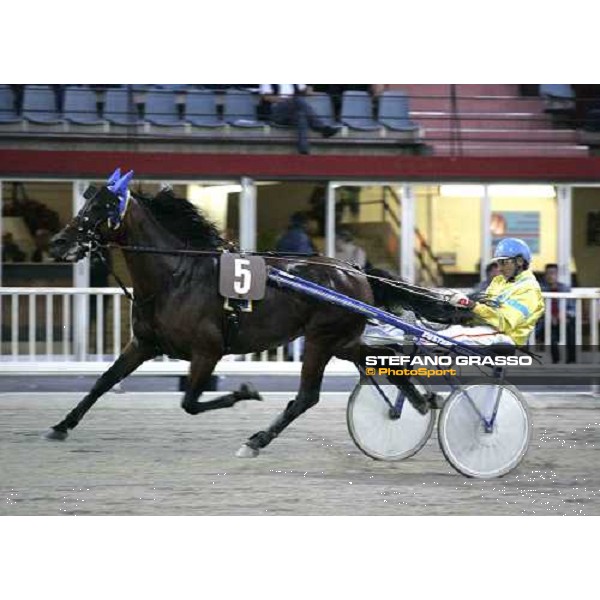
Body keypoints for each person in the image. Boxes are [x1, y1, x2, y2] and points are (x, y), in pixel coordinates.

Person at [364, 238, 545, 348]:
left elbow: (504, 321)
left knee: (433, 339)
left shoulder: (528, 289)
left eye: (504, 262)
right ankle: (383, 331)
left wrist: (468, 305)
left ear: (520, 262)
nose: (498, 268)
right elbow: (484, 307)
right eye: (497, 263)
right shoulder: (500, 281)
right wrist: (455, 306)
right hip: (480, 327)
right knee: (427, 326)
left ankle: (380, 337)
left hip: (503, 336)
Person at [258, 85, 341, 155]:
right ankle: (321, 127)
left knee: (301, 116)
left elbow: (307, 91)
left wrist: (323, 93)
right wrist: (286, 100)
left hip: (292, 111)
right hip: (276, 112)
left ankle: (303, 150)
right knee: (298, 100)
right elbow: (266, 97)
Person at [539, 263, 576, 364]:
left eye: (553, 273)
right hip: (545, 322)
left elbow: (572, 309)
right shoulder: (539, 290)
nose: (551, 276)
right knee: (551, 334)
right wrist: (548, 316)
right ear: (545, 275)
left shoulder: (565, 289)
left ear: (558, 274)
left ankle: (571, 360)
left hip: (563, 321)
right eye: (548, 273)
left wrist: (564, 315)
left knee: (570, 329)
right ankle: (556, 360)